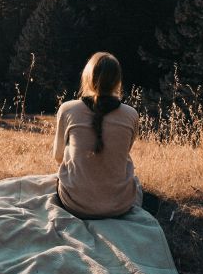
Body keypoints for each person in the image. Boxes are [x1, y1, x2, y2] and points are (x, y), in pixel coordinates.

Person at [52, 52, 158, 218]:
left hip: (74, 204)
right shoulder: (131, 114)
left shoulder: (67, 109)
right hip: (119, 205)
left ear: (87, 77)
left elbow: (58, 157)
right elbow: (122, 153)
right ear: (117, 81)